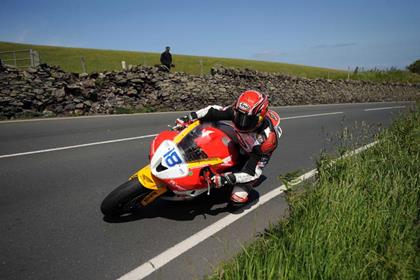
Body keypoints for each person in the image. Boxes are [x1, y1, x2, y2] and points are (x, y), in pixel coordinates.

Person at [176, 90, 282, 206]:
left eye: (247, 119)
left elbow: (252, 172)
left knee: (237, 198)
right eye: (239, 116)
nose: (242, 122)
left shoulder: (267, 141)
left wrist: (226, 179)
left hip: (251, 155)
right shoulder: (237, 112)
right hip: (239, 137)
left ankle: (240, 182)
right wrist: (190, 117)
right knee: (210, 125)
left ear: (259, 118)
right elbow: (212, 111)